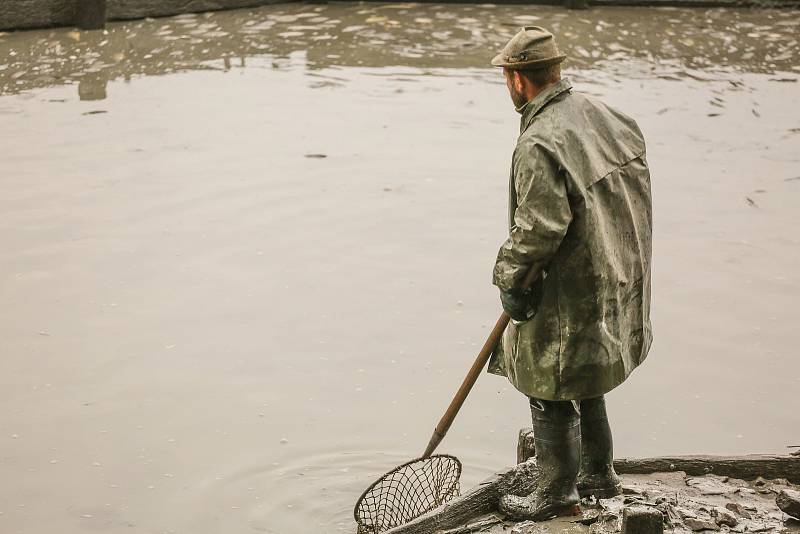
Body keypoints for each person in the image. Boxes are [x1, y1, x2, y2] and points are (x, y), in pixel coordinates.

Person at [486, 26, 654, 521]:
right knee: (587, 372)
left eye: (506, 77)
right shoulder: (609, 116)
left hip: (570, 284)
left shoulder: (538, 142)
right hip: (615, 271)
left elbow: (537, 232)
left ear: (518, 80)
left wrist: (509, 279)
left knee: (549, 378)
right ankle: (598, 474)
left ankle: (556, 493)